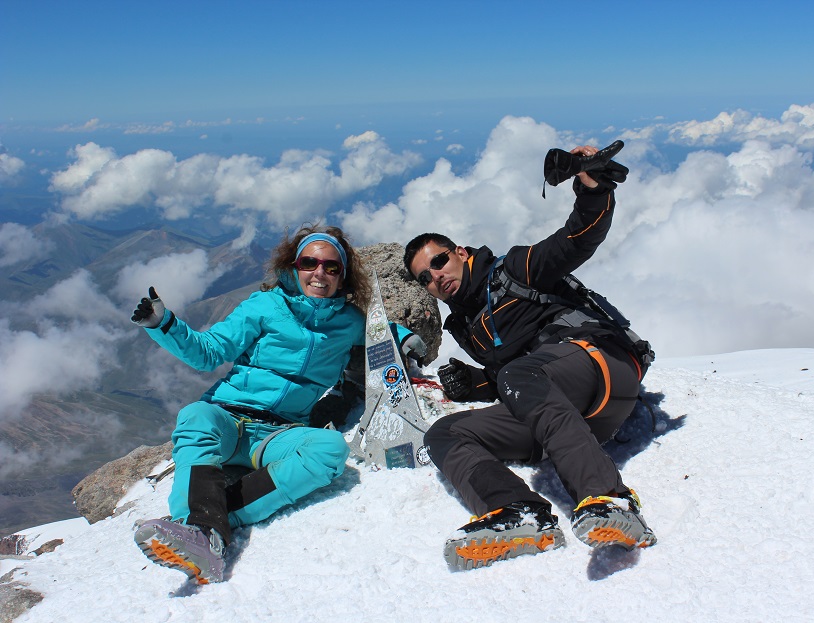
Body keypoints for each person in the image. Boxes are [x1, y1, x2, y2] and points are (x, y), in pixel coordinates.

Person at [404, 144, 657, 571]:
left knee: (520, 374)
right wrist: (475, 383)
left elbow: (577, 238)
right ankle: (520, 513)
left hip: (603, 365)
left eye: (440, 261)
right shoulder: (466, 328)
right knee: (445, 434)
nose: (436, 277)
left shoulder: (516, 270)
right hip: (564, 413)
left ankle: (610, 498)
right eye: (425, 278)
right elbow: (511, 381)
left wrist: (591, 184)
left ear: (461, 252)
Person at [131, 225, 424, 584]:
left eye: (331, 267)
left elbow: (379, 329)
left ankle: (210, 521)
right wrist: (164, 324)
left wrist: (402, 336)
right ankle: (199, 529)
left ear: (342, 276)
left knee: (329, 450)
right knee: (196, 417)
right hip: (227, 417)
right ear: (293, 266)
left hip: (279, 432)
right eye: (310, 263)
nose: (320, 273)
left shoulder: (349, 323)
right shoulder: (265, 306)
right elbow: (208, 353)